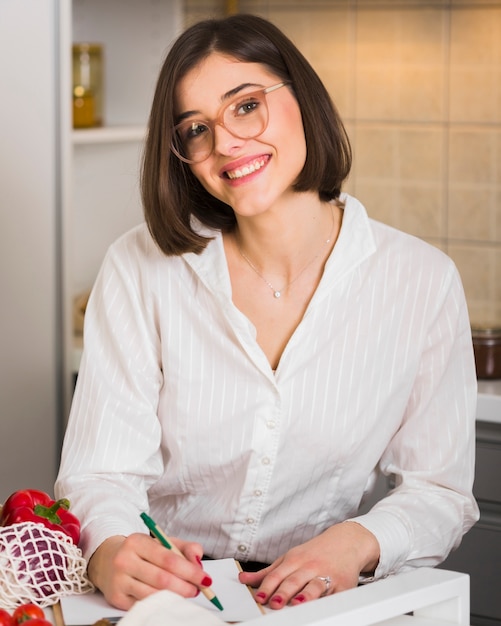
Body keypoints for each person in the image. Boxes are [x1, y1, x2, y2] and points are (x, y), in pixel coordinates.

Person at [55, 13, 479, 612]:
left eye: (246, 105)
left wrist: (356, 542)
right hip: (166, 606)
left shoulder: (422, 282)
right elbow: (101, 474)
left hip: (319, 603)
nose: (226, 143)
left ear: (301, 98)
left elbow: (440, 492)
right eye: (196, 129)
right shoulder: (138, 267)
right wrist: (110, 549)